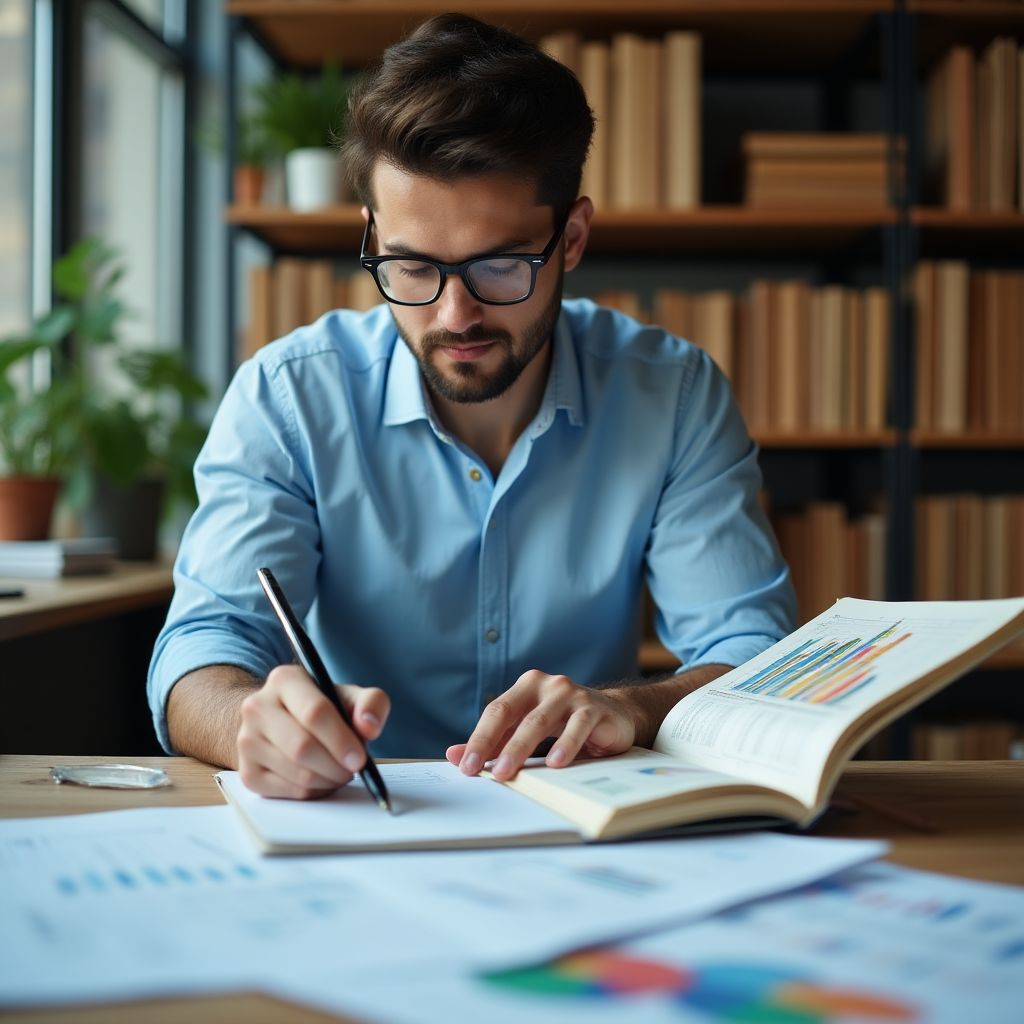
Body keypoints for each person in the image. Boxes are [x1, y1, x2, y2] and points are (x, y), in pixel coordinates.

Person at [148, 13, 795, 799]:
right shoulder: (288, 396)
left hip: (579, 825)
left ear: (574, 237)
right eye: (411, 265)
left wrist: (633, 706)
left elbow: (754, 652)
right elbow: (203, 647)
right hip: (356, 819)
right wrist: (252, 717)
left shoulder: (674, 396)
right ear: (373, 234)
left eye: (498, 266)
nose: (455, 316)